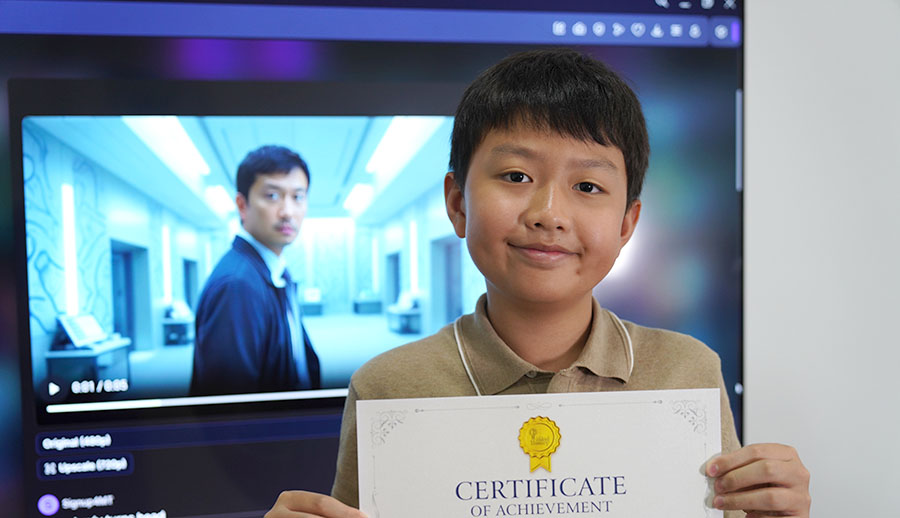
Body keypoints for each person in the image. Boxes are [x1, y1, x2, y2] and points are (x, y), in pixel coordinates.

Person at [265, 50, 810, 518]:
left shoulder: (687, 372)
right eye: (516, 176)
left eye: (589, 185)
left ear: (627, 226)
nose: (549, 213)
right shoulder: (389, 387)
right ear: (457, 203)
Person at [190, 145, 320, 395]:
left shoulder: (274, 272)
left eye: (298, 197)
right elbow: (230, 409)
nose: (287, 212)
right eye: (272, 196)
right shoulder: (237, 285)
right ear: (242, 205)